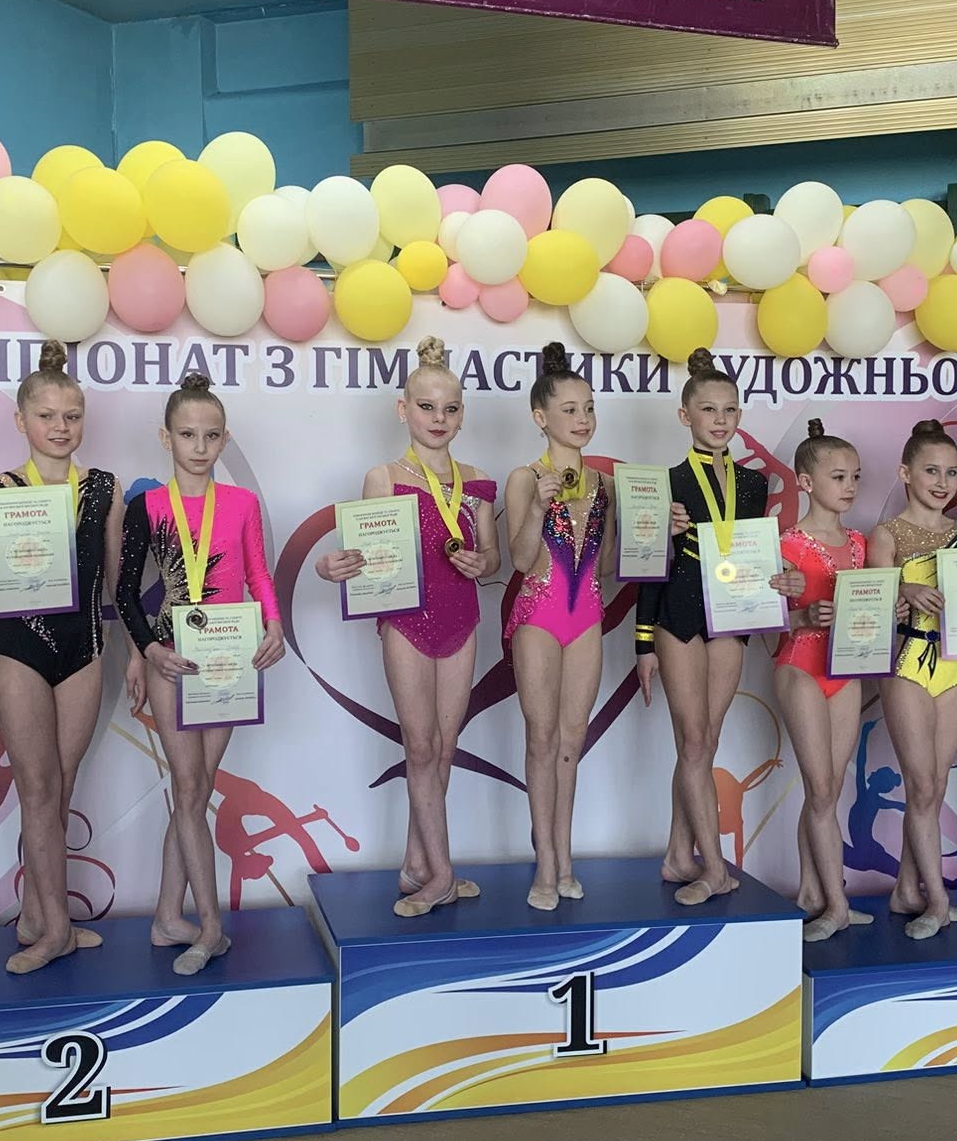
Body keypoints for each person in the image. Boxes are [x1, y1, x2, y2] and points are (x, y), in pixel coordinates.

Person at [316, 338, 499, 917]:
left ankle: (417, 864)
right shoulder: (383, 478)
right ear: (403, 410)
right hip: (405, 623)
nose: (438, 418)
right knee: (419, 746)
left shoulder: (478, 482)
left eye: (449, 409)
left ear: (462, 415)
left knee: (444, 747)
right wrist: (329, 566)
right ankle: (443, 875)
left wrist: (482, 563)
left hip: (461, 621)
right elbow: (360, 555)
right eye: (426, 407)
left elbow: (492, 558)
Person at [0, 341, 123, 975]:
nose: (60, 428)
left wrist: (145, 648)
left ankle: (36, 914)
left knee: (62, 785)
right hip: (18, 649)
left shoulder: (103, 488)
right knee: (36, 787)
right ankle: (57, 929)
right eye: (47, 416)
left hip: (84, 646)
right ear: (21, 420)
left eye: (72, 416)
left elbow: (115, 584)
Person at [116, 371, 285, 974]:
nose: (199, 446)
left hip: (230, 656)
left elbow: (258, 573)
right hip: (173, 655)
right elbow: (125, 592)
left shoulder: (241, 504)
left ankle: (168, 915)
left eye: (211, 436)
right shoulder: (147, 507)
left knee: (195, 789)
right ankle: (210, 926)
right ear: (166, 438)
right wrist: (147, 650)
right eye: (187, 434)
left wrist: (274, 625)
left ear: (225, 439)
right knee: (189, 789)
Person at [637, 349, 803, 907]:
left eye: (730, 410)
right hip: (678, 615)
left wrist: (779, 582)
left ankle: (676, 853)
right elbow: (648, 567)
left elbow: (756, 554)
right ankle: (713, 866)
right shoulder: (666, 483)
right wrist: (643, 643)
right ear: (685, 415)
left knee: (706, 740)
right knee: (692, 740)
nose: (720, 419)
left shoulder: (754, 484)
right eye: (709, 410)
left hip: (732, 617)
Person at [503, 342, 616, 910]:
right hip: (539, 615)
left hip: (586, 614)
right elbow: (522, 561)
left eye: (589, 408)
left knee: (573, 739)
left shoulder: (605, 485)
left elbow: (612, 565)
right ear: (540, 417)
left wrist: (657, 531)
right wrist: (535, 509)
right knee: (542, 738)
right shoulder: (524, 478)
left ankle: (565, 856)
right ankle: (544, 863)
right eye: (570, 410)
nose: (582, 419)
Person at [869, 418, 957, 939]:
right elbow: (870, 604)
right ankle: (937, 900)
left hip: (955, 667)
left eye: (951, 472)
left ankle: (905, 890)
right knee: (919, 785)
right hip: (907, 663)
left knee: (936, 785)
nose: (942, 482)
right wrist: (903, 589)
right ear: (905, 473)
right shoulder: (887, 534)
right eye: (931, 471)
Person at [772, 419, 875, 942]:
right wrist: (801, 615)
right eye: (839, 477)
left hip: (846, 670)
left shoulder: (859, 543)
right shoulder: (786, 543)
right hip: (802, 667)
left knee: (830, 791)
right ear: (807, 482)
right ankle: (837, 904)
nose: (850, 486)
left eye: (855, 476)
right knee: (818, 790)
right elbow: (758, 622)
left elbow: (870, 608)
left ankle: (812, 893)